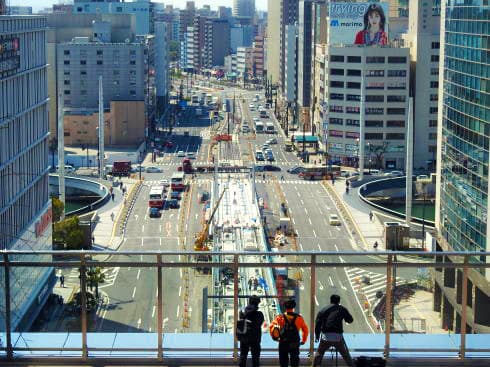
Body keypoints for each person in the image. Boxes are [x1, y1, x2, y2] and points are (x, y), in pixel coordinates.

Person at [312, 294, 354, 367]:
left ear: (330, 300)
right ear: (339, 301)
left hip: (326, 337)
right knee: (345, 355)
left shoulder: (323, 310)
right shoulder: (342, 309)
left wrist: (317, 336)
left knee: (319, 353)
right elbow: (350, 320)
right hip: (338, 337)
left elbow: (318, 324)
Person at [270, 299, 308, 367]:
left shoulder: (280, 317)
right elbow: (305, 330)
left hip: (283, 343)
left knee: (283, 362)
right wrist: (303, 340)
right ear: (293, 307)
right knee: (295, 361)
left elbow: (272, 327)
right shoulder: (299, 318)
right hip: (295, 342)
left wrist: (275, 338)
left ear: (285, 307)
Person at [238, 295, 264, 367]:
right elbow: (259, 324)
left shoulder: (242, 312)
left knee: (243, 356)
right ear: (257, 303)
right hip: (255, 338)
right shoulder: (259, 314)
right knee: (255, 359)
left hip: (244, 337)